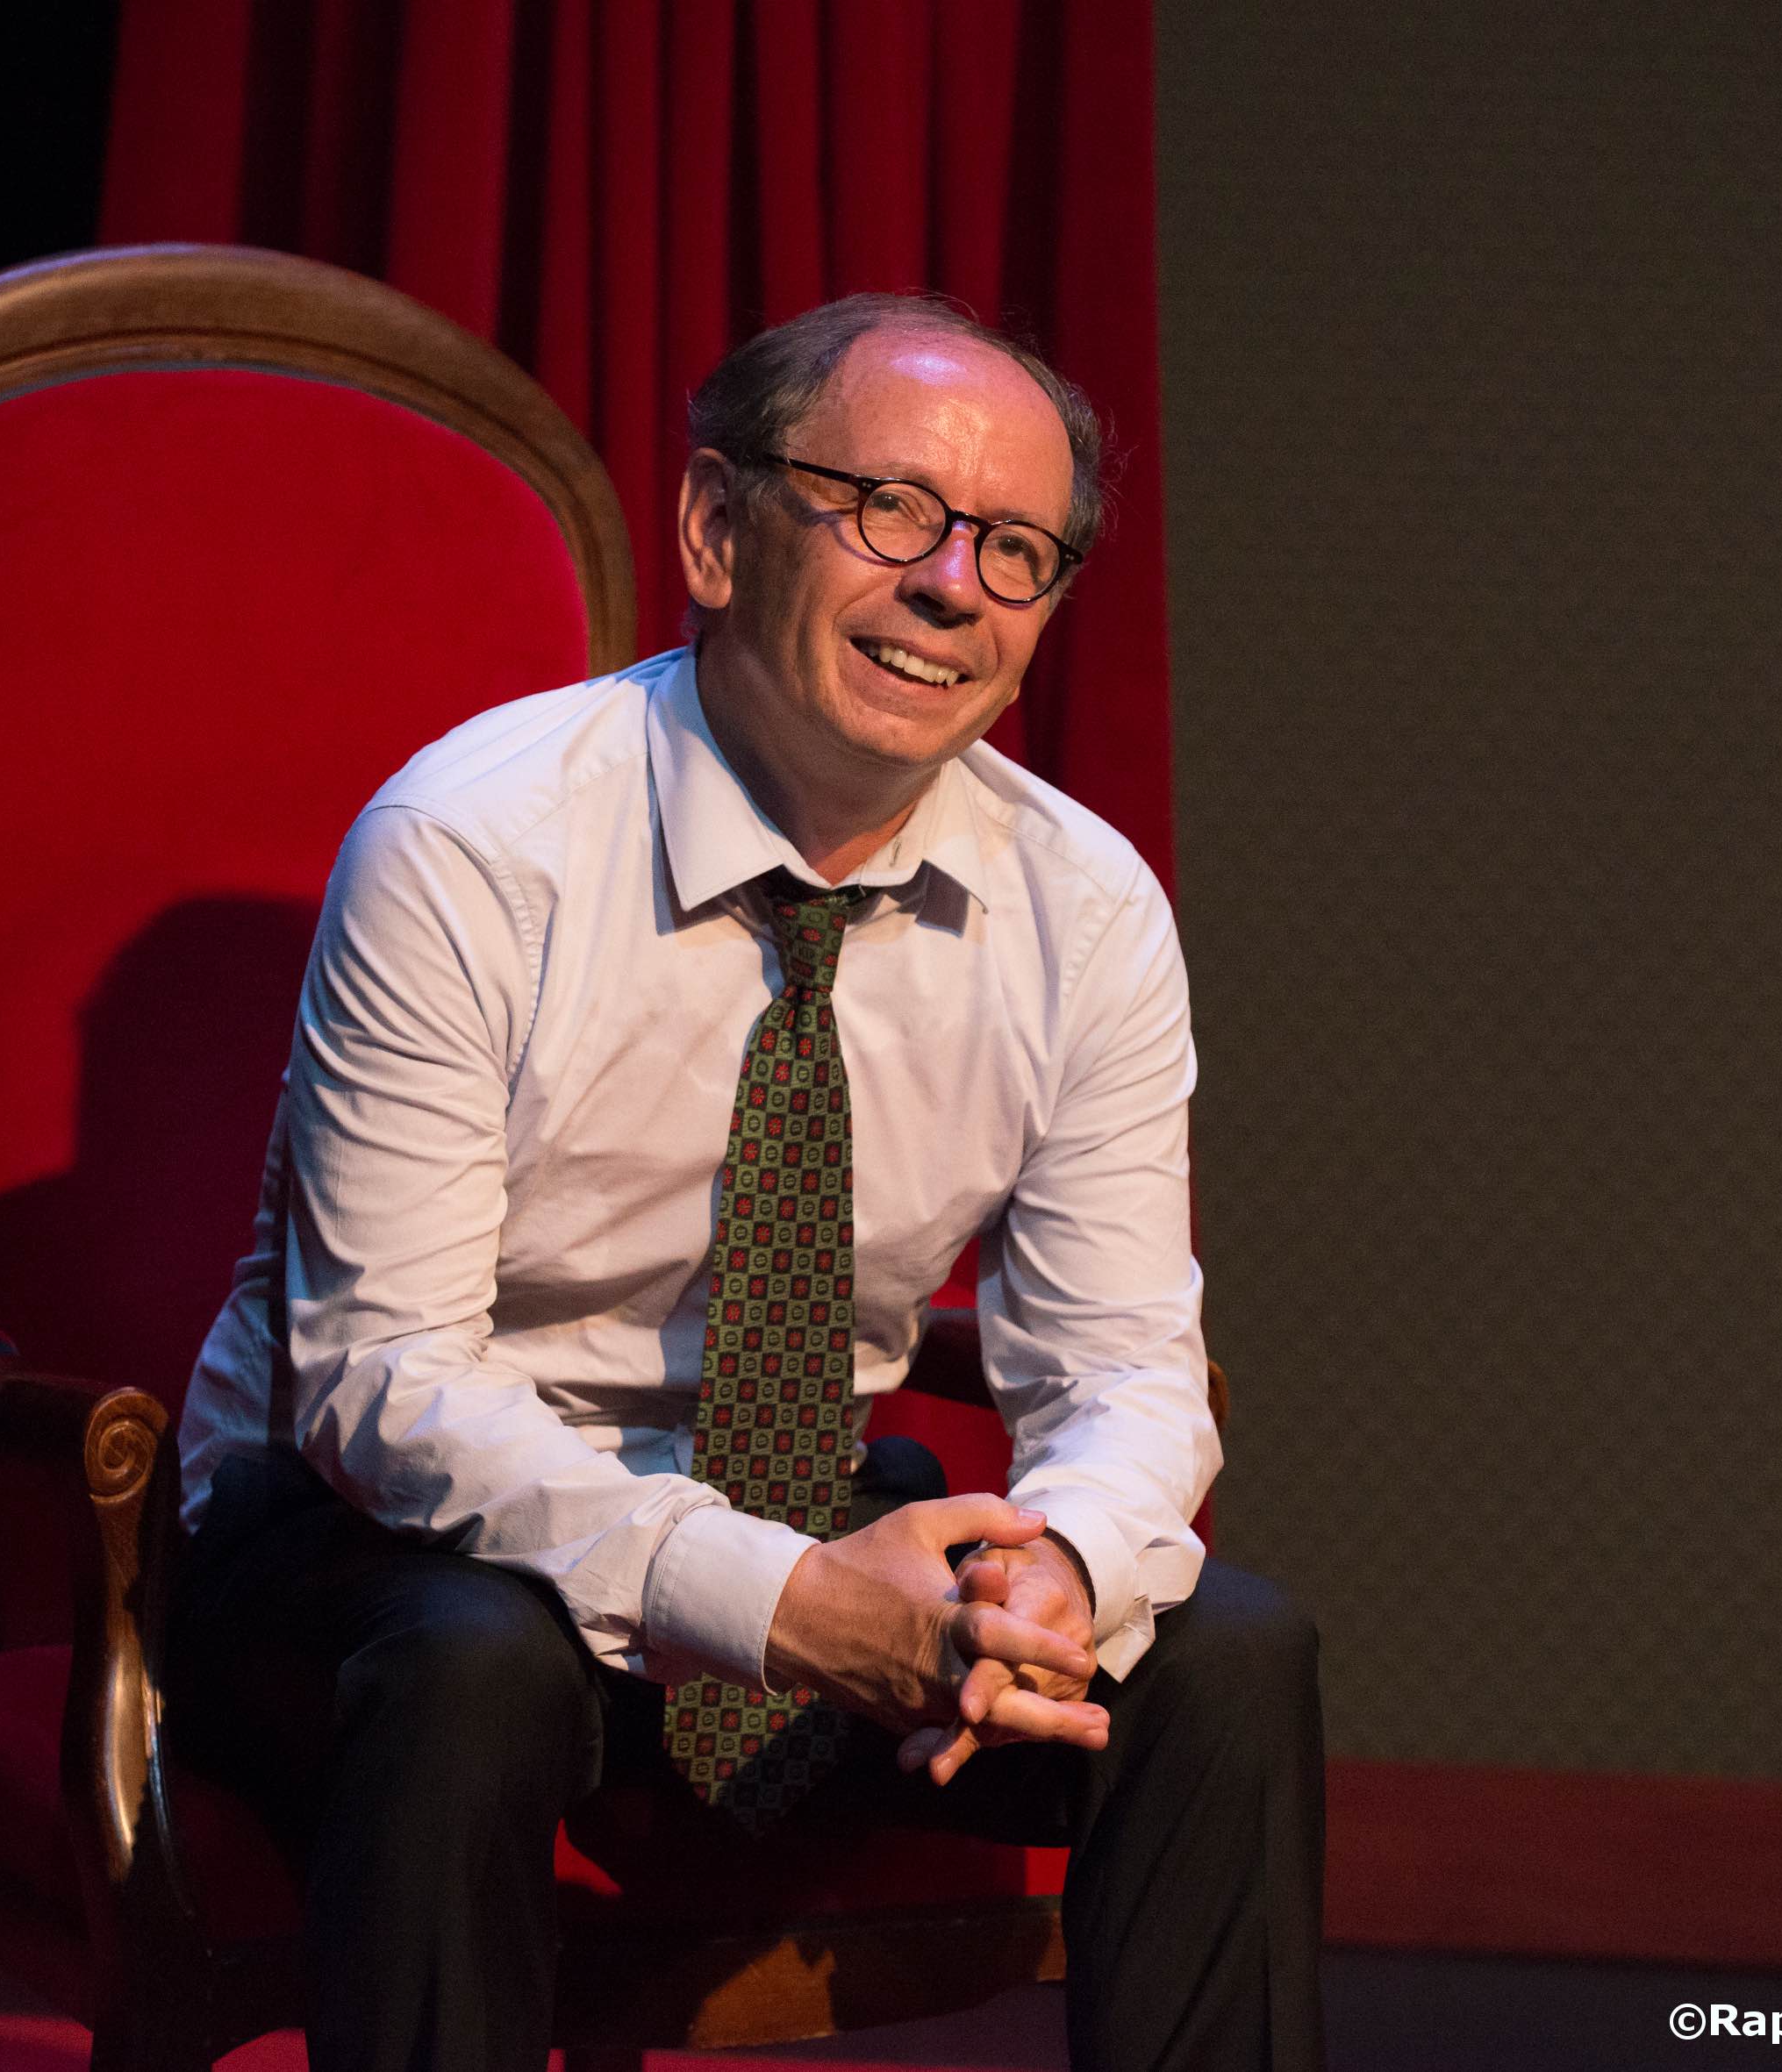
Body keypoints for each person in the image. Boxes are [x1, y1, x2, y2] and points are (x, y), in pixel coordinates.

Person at [171, 292, 1323, 2072]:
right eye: (891, 510)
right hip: (384, 1538)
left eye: (1016, 550)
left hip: (794, 1498)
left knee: (1224, 1653)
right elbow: (379, 1380)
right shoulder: (473, 844)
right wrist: (781, 1601)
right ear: (716, 528)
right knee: (475, 1668)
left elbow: (1125, 1368)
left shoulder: (1086, 912)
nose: (953, 586)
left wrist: (1061, 1570)